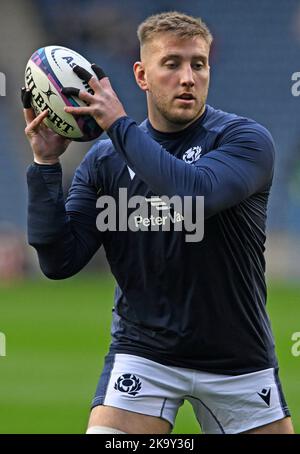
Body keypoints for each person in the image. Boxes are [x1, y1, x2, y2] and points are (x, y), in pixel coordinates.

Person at [22, 11, 294, 434]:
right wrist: (45, 164)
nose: (187, 77)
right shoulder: (106, 160)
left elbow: (194, 195)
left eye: (198, 64)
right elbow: (59, 261)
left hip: (236, 358)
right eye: (172, 64)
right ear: (142, 75)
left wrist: (118, 125)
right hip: (144, 353)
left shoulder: (244, 140)